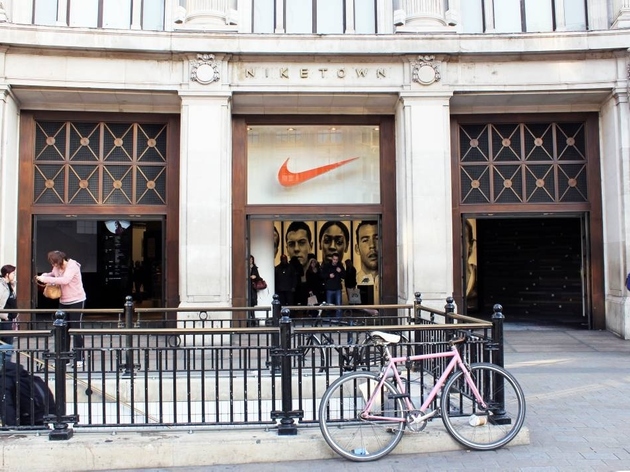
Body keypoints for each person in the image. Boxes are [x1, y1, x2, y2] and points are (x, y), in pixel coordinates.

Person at [36, 250, 87, 368]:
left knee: (75, 329)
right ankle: (65, 357)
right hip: (63, 301)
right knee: (63, 329)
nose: (53, 266)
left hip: (76, 300)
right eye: (52, 263)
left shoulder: (72, 266)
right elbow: (53, 274)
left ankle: (79, 358)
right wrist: (44, 275)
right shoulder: (56, 267)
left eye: (55, 263)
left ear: (60, 261)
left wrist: (46, 279)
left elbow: (65, 280)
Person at [355, 220, 380, 304]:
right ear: (357, 248)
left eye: (377, 238)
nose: (372, 245)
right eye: (365, 240)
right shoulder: (353, 281)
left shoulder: (393, 282)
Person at [0, 265, 17, 367]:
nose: (14, 275)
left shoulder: (10, 285)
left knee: (8, 344)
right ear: (7, 274)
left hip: (9, 318)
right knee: (6, 344)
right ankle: (4, 366)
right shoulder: (2, 286)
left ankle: (6, 365)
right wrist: (4, 316)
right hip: (4, 319)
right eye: (13, 273)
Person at [320, 252, 345, 318]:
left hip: (338, 288)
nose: (335, 261)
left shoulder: (340, 266)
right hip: (329, 288)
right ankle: (329, 318)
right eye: (334, 259)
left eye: (336, 260)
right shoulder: (327, 266)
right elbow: (322, 275)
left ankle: (338, 319)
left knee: (339, 305)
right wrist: (329, 275)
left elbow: (344, 276)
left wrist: (340, 272)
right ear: (332, 259)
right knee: (329, 305)